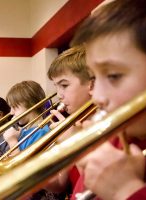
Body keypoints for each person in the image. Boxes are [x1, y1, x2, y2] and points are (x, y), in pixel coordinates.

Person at [68, 0, 146, 199]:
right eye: (93, 77)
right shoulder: (114, 142)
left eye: (113, 75)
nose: (97, 97)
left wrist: (125, 191)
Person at [44, 45, 92, 197]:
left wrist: (75, 145)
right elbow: (59, 184)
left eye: (64, 85)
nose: (59, 95)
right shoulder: (72, 125)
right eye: (56, 86)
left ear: (92, 84)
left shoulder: (107, 126)